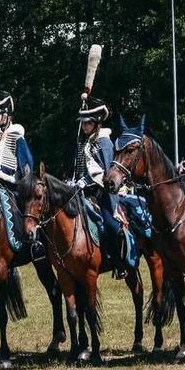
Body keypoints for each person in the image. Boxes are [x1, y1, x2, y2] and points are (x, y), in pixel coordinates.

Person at [71, 95, 126, 277]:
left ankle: (118, 262)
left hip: (101, 192)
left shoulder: (104, 143)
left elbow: (106, 173)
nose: (85, 126)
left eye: (88, 122)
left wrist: (85, 182)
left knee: (111, 225)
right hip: (81, 191)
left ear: (97, 122)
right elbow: (79, 168)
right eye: (83, 123)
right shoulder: (84, 142)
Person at [0, 89, 34, 191]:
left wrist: (25, 185)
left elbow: (26, 163)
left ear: (5, 115)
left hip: (10, 185)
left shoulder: (15, 136)